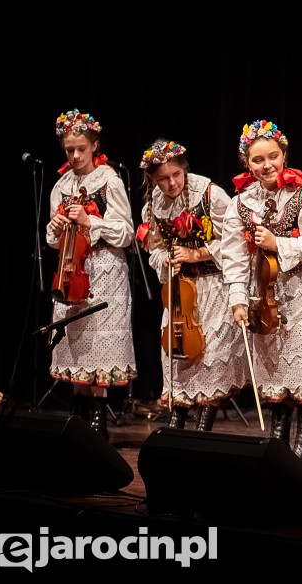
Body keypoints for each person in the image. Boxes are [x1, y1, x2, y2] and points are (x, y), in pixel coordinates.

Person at [222, 120, 302, 467]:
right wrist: (236, 300)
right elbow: (233, 255)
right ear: (246, 163)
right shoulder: (240, 202)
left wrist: (277, 242)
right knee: (277, 366)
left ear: (284, 155)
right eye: (257, 160)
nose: (266, 165)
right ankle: (278, 440)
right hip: (267, 292)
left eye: (273, 156)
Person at [138, 138, 246, 431]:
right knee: (177, 352)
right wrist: (165, 259)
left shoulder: (209, 194)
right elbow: (154, 248)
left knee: (208, 353)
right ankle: (176, 421)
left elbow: (235, 241)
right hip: (180, 291)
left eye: (176, 175)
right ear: (153, 180)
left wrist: (196, 253)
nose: (172, 183)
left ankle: (203, 428)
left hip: (213, 286)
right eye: (163, 179)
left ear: (184, 169)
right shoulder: (153, 206)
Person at [47, 109, 136, 440]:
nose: (74, 155)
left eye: (81, 149)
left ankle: (97, 423)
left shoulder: (109, 180)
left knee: (99, 344)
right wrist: (55, 228)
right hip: (72, 269)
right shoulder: (61, 184)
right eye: (69, 149)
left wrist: (90, 222)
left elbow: (125, 232)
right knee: (76, 345)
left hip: (104, 272)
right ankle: (78, 418)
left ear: (94, 145)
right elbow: (53, 240)